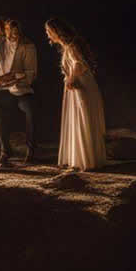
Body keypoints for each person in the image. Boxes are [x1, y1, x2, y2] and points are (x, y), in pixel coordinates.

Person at [45, 18, 106, 171]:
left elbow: (79, 65)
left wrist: (70, 80)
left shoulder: (71, 47)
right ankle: (83, 159)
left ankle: (85, 161)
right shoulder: (69, 47)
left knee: (82, 120)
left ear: (56, 31)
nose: (47, 34)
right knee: (81, 120)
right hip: (81, 86)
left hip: (81, 87)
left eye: (48, 31)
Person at [0, 15, 39, 167]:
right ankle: (5, 149)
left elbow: (30, 74)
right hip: (6, 90)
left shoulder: (27, 46)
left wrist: (13, 77)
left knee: (30, 108)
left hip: (24, 90)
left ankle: (31, 149)